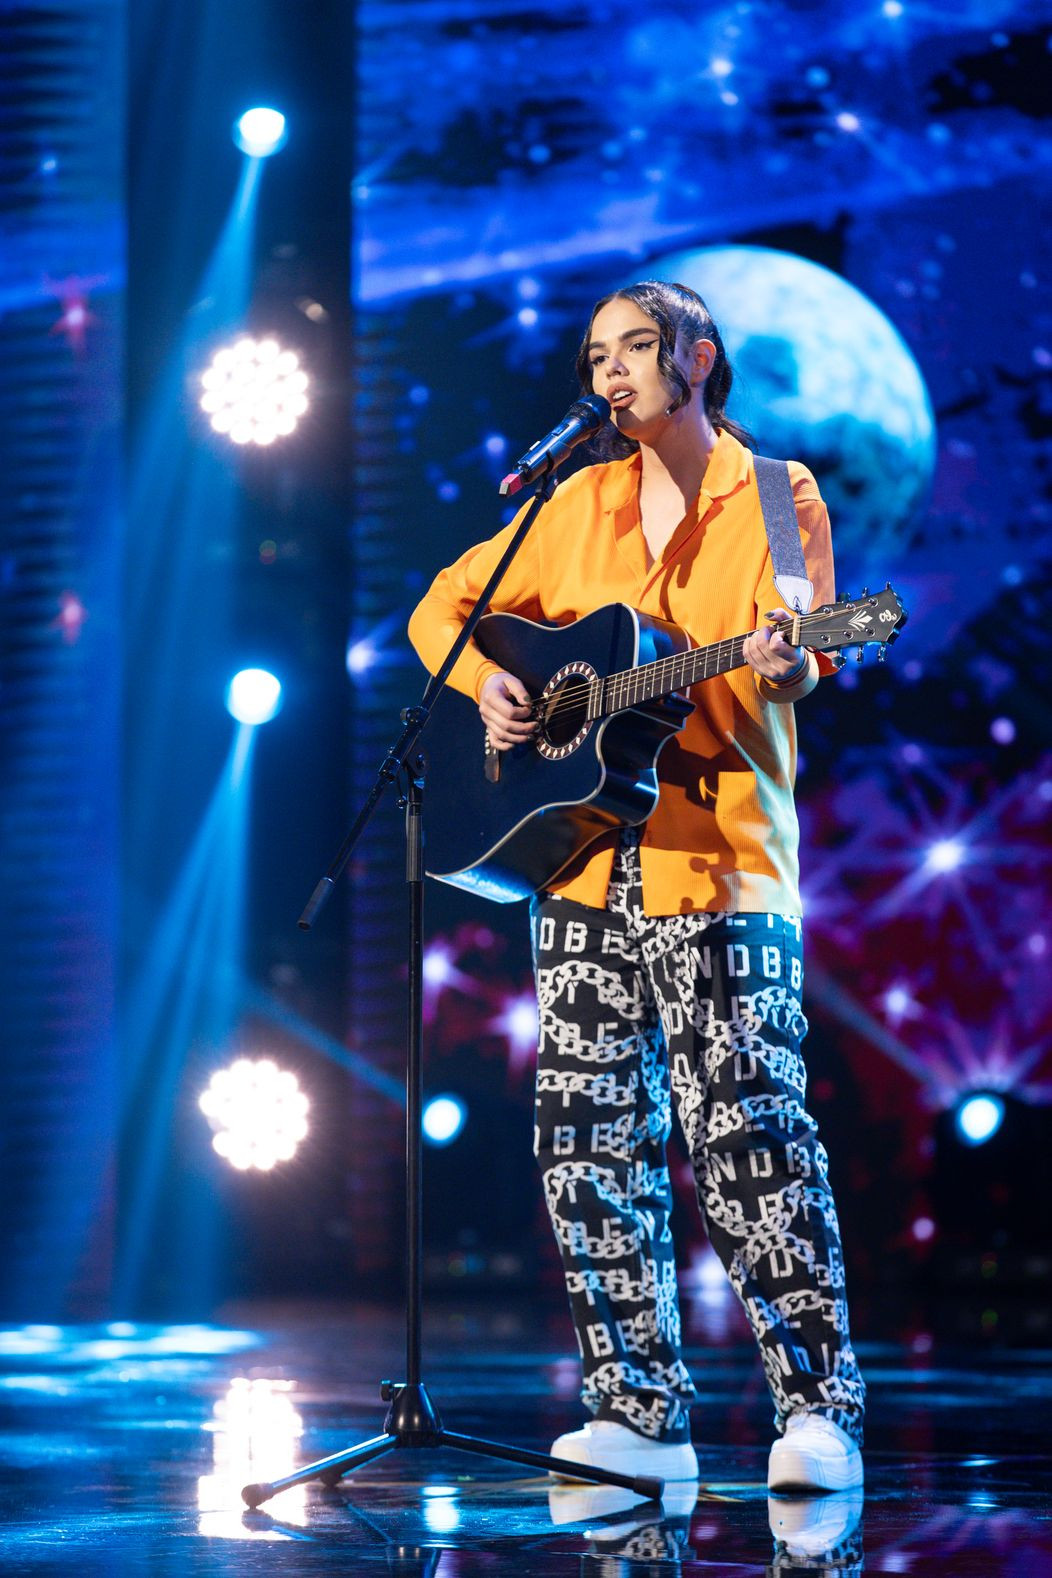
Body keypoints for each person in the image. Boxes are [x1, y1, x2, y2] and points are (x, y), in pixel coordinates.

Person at [407, 280, 866, 1493]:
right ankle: (635, 1410)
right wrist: (487, 687)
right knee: (586, 1138)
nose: (608, 373)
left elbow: (799, 652)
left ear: (696, 360)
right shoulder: (572, 503)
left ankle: (816, 1412)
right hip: (577, 863)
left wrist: (785, 662)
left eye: (634, 349)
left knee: (749, 1135)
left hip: (717, 864)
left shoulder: (776, 496)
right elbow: (441, 610)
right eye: (594, 355)